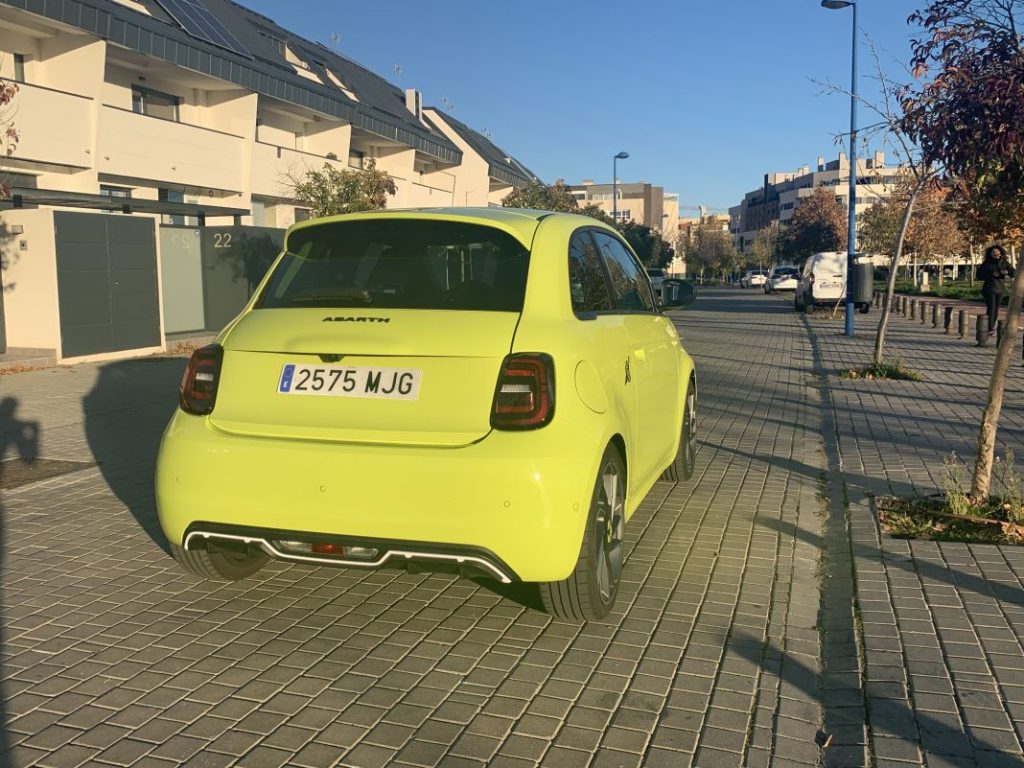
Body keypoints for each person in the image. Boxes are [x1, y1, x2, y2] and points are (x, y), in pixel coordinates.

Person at [977, 245, 1015, 335]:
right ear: (990, 254)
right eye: (993, 252)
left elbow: (1013, 273)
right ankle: (990, 328)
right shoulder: (986, 263)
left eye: (997, 252)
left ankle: (991, 326)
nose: (995, 253)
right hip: (989, 288)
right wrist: (990, 274)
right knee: (991, 308)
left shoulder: (1004, 263)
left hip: (1000, 289)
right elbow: (979, 275)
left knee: (996, 308)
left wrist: (1007, 272)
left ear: (1001, 253)